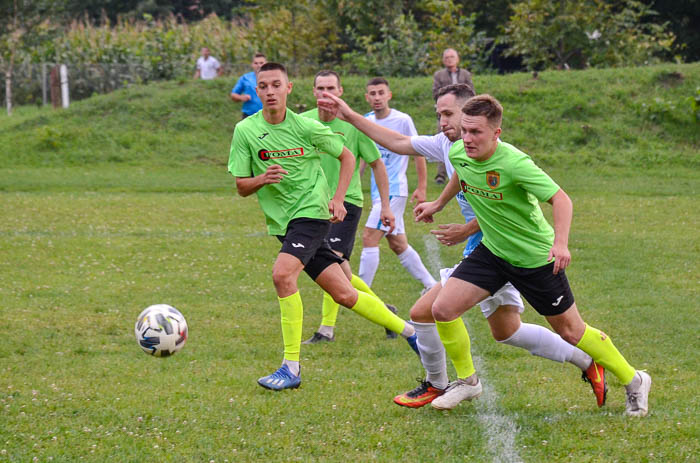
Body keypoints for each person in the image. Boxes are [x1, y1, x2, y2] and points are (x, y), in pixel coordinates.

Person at [318, 85, 607, 410]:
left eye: (448, 114)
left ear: (468, 114)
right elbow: (397, 142)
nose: (441, 121)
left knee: (426, 312)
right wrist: (350, 115)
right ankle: (586, 360)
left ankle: (447, 383)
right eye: (438, 114)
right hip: (488, 249)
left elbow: (506, 207)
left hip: (500, 250)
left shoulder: (490, 152)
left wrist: (465, 228)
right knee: (507, 331)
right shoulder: (449, 145)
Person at [413, 94, 650, 416]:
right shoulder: (459, 151)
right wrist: (438, 204)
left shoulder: (515, 164)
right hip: (492, 252)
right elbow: (460, 173)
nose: (467, 139)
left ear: (496, 133)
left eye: (476, 132)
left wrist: (561, 244)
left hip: (533, 259)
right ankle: (468, 382)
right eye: (464, 130)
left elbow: (562, 199)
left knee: (571, 331)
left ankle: (634, 380)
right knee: (442, 308)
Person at [228, 62, 419, 391]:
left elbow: (347, 157)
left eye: (277, 85)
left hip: (312, 214)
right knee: (345, 293)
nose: (270, 91)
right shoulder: (245, 131)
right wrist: (264, 178)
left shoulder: (306, 127)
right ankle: (413, 334)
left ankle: (291, 367)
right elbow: (241, 186)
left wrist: (339, 198)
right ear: (257, 91)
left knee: (282, 274)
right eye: (264, 86)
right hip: (283, 223)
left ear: (288, 89)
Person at [300, 70, 398, 343]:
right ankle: (385, 312)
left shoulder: (355, 125)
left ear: (340, 91)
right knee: (341, 270)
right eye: (320, 88)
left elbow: (378, 164)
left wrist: (386, 206)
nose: (325, 93)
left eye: (331, 87)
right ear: (313, 92)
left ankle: (326, 330)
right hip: (314, 205)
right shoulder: (302, 122)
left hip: (346, 203)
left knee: (330, 261)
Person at [358, 77, 437, 296]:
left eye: (381, 93)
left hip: (394, 190)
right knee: (397, 243)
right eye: (372, 93)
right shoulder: (366, 120)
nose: (377, 97)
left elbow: (418, 152)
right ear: (367, 97)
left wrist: (422, 187)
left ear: (389, 95)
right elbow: (365, 155)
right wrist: (355, 179)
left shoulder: (402, 120)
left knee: (369, 237)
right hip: (378, 192)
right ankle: (431, 286)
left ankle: (363, 295)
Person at [431, 48, 474, 185]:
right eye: (447, 57)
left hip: (463, 113)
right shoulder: (439, 75)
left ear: (458, 59)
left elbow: (472, 92)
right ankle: (441, 174)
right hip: (445, 113)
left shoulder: (465, 74)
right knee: (443, 142)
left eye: (452, 57)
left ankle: (467, 170)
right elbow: (435, 92)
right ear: (443, 60)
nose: (449, 59)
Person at [230, 53, 267, 119]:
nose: (259, 65)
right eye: (256, 63)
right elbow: (233, 95)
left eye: (261, 63)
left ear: (266, 63)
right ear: (252, 64)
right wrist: (241, 97)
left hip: (268, 116)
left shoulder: (273, 78)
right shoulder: (245, 78)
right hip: (249, 116)